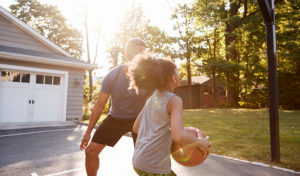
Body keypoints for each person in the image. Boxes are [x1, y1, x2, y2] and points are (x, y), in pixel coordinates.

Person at [127, 53, 211, 176]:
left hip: (138, 161)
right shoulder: (174, 100)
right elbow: (179, 136)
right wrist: (199, 142)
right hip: (153, 167)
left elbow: (135, 127)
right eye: (176, 69)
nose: (178, 71)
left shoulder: (152, 97)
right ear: (173, 77)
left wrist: (161, 135)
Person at [80, 38, 147, 176]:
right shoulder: (113, 76)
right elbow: (99, 105)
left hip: (139, 119)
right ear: (127, 55)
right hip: (116, 118)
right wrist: (88, 132)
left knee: (145, 160)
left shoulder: (149, 77)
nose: (140, 56)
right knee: (91, 151)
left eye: (143, 52)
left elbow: (155, 102)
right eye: (136, 52)